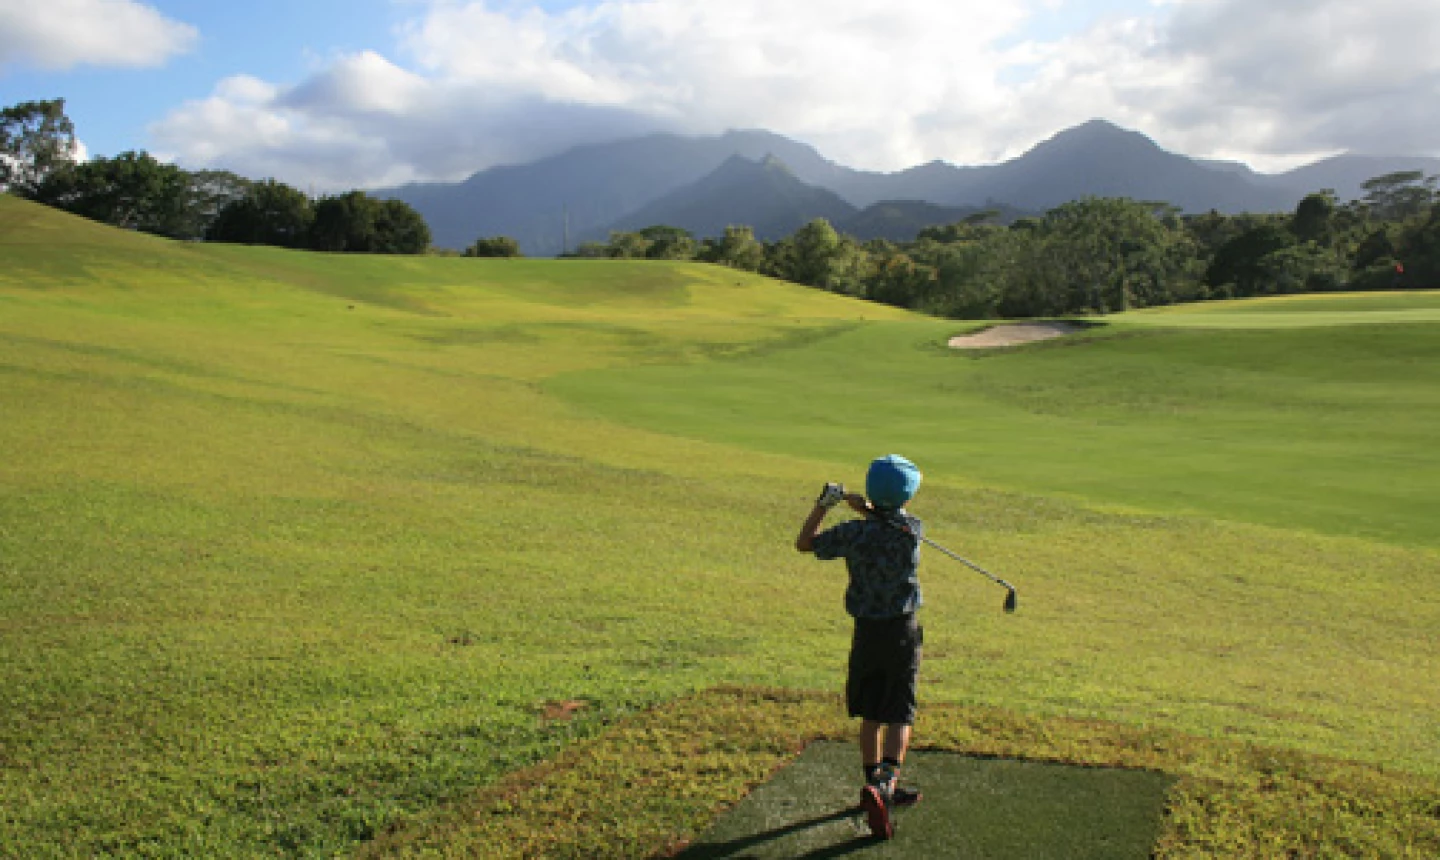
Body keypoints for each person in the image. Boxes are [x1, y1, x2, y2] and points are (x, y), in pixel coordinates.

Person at [795, 454, 925, 840]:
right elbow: (889, 519)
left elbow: (805, 544)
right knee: (900, 712)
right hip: (902, 632)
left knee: (872, 710)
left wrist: (825, 505)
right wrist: (870, 509)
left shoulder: (854, 533)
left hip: (866, 632)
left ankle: (872, 783)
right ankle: (887, 783)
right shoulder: (912, 530)